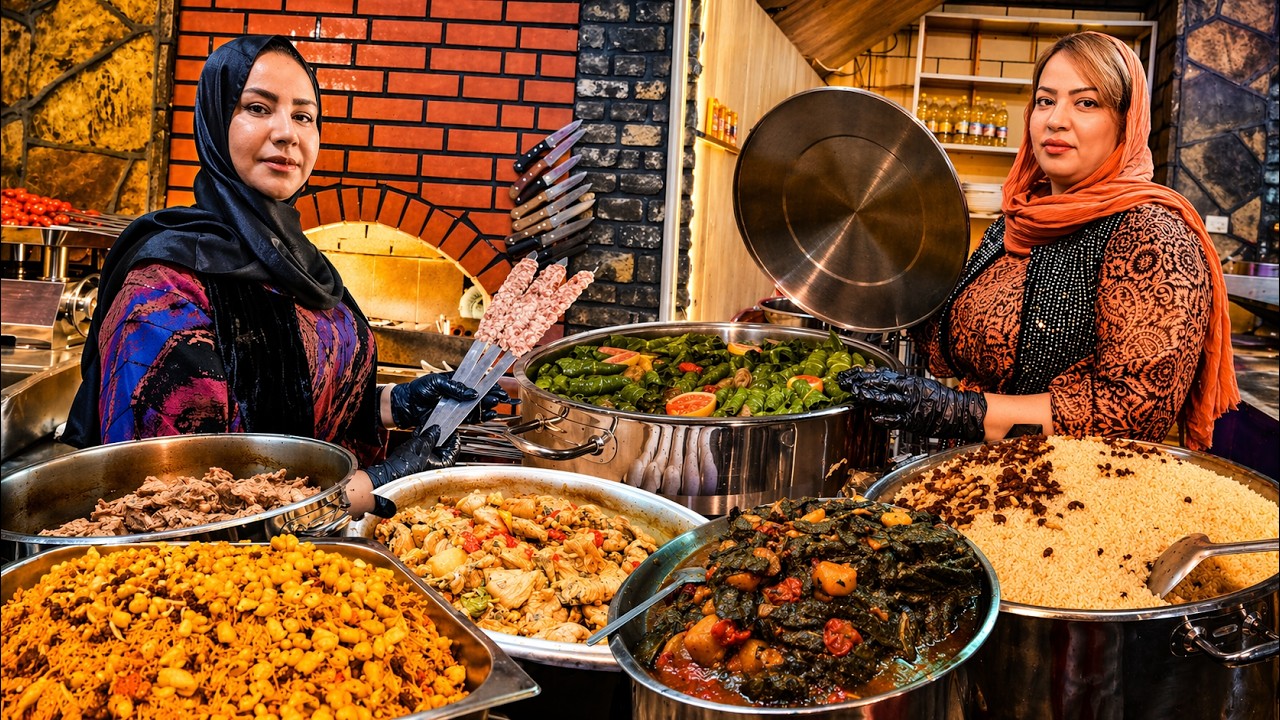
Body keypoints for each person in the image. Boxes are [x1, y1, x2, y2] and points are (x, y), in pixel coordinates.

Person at [63, 35, 507, 516]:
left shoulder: (300, 263)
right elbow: (169, 511)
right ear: (215, 121)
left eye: (303, 116)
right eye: (258, 108)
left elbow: (295, 399)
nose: (287, 133)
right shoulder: (163, 288)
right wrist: (377, 481)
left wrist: (394, 405)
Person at [838, 31, 1239, 451]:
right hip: (967, 473)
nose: (1055, 119)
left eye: (1086, 103)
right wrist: (885, 262)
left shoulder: (1151, 236)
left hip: (1068, 494)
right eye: (1046, 100)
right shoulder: (1018, 218)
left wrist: (961, 412)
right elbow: (952, 343)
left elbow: (1132, 411)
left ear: (1126, 121)